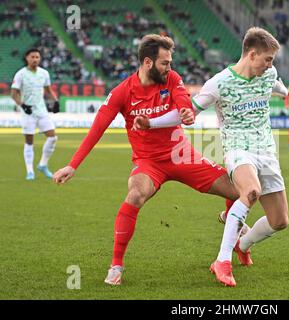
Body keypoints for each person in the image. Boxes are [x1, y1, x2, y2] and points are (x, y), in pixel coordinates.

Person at [53, 34, 241, 286]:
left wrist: (185, 110)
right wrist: (72, 165)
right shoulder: (122, 92)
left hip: (182, 155)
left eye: (170, 62)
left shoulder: (171, 78)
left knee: (239, 190)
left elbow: (183, 100)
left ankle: (235, 237)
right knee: (135, 194)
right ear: (148, 63)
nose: (170, 68)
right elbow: (97, 129)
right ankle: (116, 265)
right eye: (165, 63)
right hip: (149, 163)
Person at [146, 27, 289, 287]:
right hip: (238, 149)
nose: (270, 65)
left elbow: (278, 86)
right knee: (251, 191)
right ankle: (222, 261)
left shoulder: (269, 73)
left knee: (279, 221)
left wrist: (284, 91)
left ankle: (243, 244)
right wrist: (152, 123)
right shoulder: (219, 83)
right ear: (252, 54)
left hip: (268, 150)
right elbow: (187, 111)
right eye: (267, 59)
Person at [11, 48, 60, 180]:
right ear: (27, 58)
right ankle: (30, 171)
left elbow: (48, 90)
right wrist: (22, 105)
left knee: (53, 137)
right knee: (29, 142)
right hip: (28, 112)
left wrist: (55, 101)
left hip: (42, 110)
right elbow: (13, 94)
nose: (35, 59)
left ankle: (43, 165)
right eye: (32, 57)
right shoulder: (20, 74)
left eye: (37, 57)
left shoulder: (44, 73)